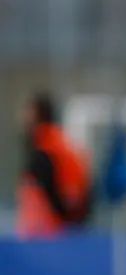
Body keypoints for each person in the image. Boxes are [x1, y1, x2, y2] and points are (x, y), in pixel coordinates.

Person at [16, 93, 93, 239]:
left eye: (27, 112)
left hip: (53, 233)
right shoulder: (59, 141)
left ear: (37, 114)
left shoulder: (46, 149)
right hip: (69, 227)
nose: (22, 117)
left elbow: (50, 196)